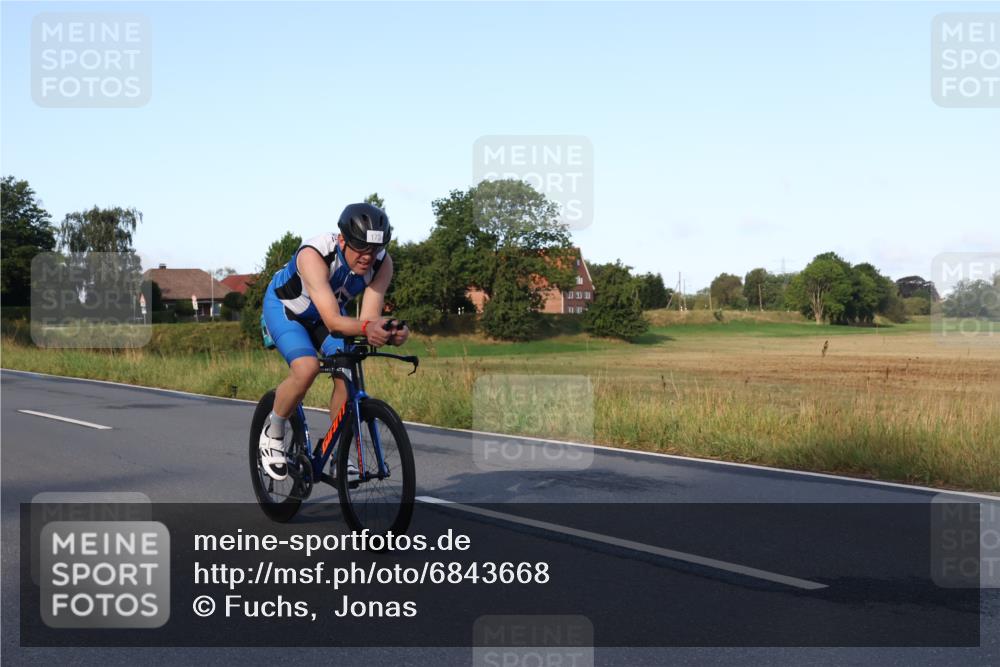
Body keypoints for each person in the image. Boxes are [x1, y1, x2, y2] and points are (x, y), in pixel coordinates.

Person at [258, 202, 410, 480]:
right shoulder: (314, 255)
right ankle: (274, 429)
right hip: (287, 310)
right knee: (306, 368)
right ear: (342, 240)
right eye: (361, 248)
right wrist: (368, 326)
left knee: (347, 369)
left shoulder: (382, 263)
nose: (368, 257)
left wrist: (391, 331)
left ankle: (339, 454)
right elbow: (333, 321)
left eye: (374, 249)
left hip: (326, 314)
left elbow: (368, 318)